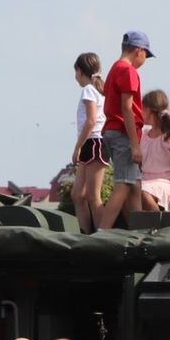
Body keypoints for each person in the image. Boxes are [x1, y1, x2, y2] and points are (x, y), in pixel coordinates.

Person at [96, 31, 153, 231]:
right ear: (139, 50)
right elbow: (127, 108)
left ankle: (139, 231)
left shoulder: (114, 68)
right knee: (123, 184)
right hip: (123, 133)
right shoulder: (129, 71)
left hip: (111, 131)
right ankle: (102, 231)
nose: (145, 59)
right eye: (145, 54)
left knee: (134, 185)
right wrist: (135, 145)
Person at [70, 52, 108, 234]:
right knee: (78, 195)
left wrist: (77, 147)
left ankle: (102, 234)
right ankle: (85, 232)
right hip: (91, 142)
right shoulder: (98, 89)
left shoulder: (88, 90)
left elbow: (91, 120)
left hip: (94, 142)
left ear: (80, 71)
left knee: (93, 196)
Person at [139, 89, 170, 212]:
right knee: (127, 191)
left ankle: (158, 223)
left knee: (142, 192)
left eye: (142, 108)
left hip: (168, 184)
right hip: (147, 181)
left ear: (150, 111)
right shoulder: (144, 135)